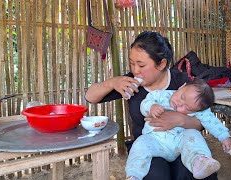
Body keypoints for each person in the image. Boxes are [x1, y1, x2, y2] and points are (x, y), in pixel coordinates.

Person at [85, 31, 219, 180]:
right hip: (149, 146)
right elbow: (90, 97)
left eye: (141, 65)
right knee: (156, 174)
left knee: (193, 173)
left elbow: (203, 121)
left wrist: (181, 120)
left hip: (180, 142)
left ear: (161, 64)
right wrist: (112, 82)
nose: (135, 70)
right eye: (132, 63)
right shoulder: (129, 83)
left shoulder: (182, 83)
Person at [125, 79, 231, 180]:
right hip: (155, 140)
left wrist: (224, 136)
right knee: (140, 144)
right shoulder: (161, 95)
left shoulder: (200, 110)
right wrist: (151, 107)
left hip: (179, 142)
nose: (180, 104)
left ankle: (199, 162)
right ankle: (134, 175)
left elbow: (212, 122)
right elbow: (144, 103)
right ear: (182, 86)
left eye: (187, 108)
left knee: (193, 135)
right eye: (182, 97)